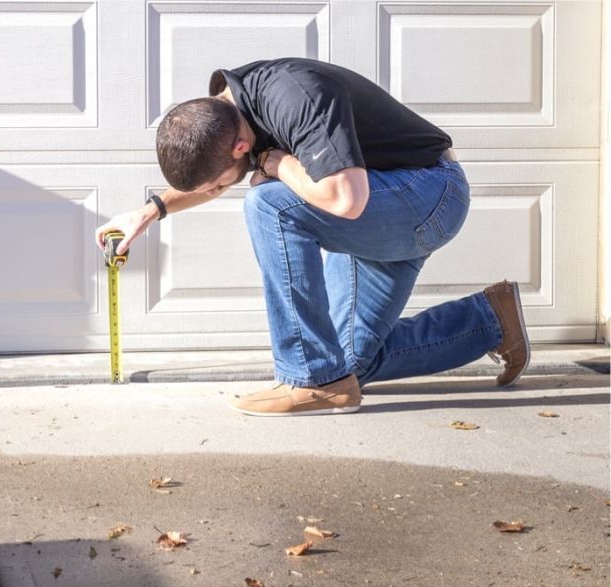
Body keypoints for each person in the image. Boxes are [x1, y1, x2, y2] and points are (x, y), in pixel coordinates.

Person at [95, 58, 530, 417]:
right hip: (380, 204)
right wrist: (150, 211)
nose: (213, 193)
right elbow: (220, 176)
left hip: (427, 194)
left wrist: (279, 165)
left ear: (240, 149)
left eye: (216, 186)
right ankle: (490, 321)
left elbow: (347, 200)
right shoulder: (229, 115)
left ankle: (311, 380)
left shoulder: (296, 98)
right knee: (349, 364)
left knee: (268, 203)